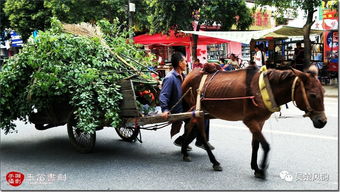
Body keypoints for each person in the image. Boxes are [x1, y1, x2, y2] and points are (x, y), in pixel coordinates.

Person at [159, 52, 214, 151]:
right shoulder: (170, 78)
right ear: (180, 63)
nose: (186, 63)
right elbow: (164, 95)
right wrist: (165, 109)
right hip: (178, 108)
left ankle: (200, 141)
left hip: (186, 105)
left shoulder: (183, 76)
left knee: (204, 115)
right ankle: (183, 141)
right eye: (185, 61)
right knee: (197, 120)